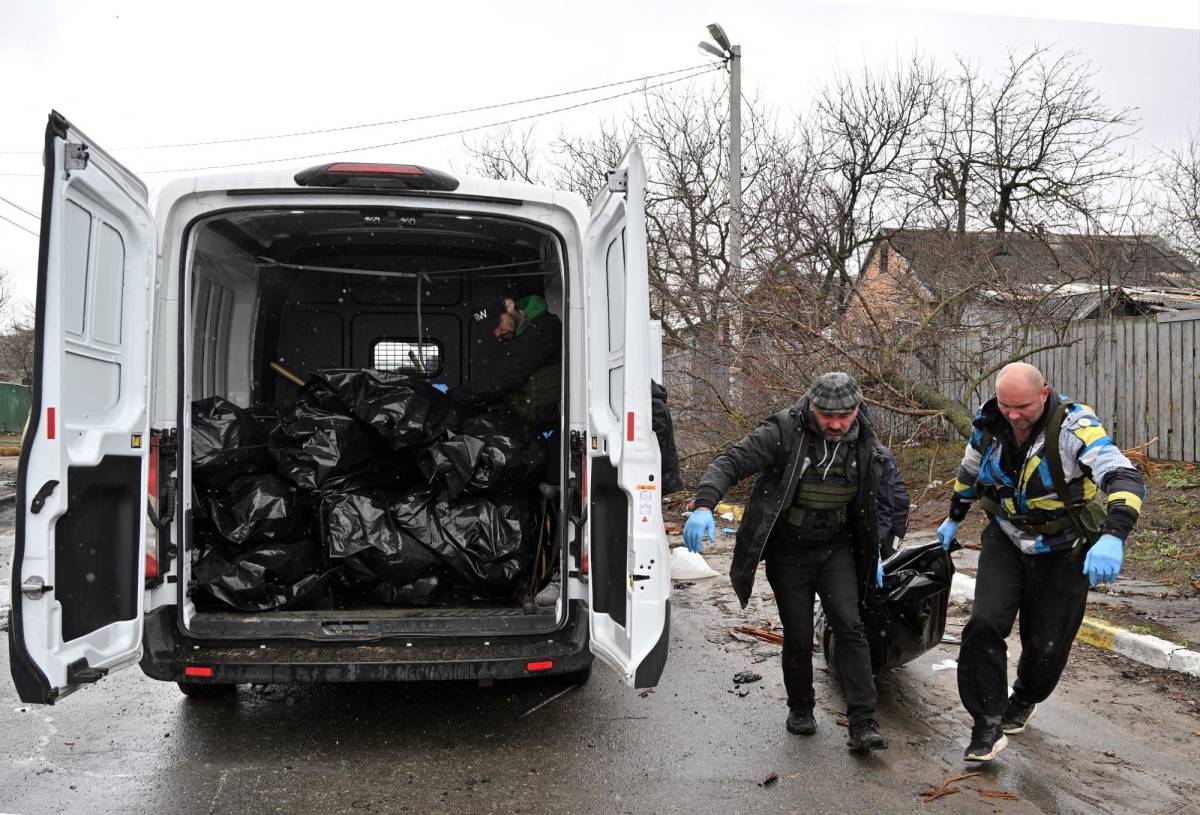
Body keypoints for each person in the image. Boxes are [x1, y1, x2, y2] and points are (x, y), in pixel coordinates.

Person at [937, 362, 1146, 763]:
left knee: (1046, 643)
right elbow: (969, 471)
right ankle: (986, 724)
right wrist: (954, 517)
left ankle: (1025, 698)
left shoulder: (1075, 428)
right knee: (984, 623)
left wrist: (1113, 536)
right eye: (1006, 405)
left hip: (1062, 546)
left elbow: (1123, 476)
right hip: (1006, 537)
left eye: (1023, 407)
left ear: (1044, 394)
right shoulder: (989, 422)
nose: (1013, 415)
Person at [684, 372, 900, 754]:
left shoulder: (867, 440)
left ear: (856, 410)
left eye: (844, 416)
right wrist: (704, 504)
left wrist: (880, 548)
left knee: (850, 627)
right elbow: (731, 461)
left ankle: (863, 721)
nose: (835, 424)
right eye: (826, 416)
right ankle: (801, 707)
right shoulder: (784, 430)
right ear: (810, 406)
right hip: (789, 551)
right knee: (798, 634)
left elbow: (884, 498)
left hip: (836, 548)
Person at [446, 294, 562, 429]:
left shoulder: (543, 329)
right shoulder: (520, 334)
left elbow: (501, 378)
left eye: (498, 324)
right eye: (492, 330)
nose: (497, 333)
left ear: (510, 306)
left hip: (548, 425)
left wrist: (451, 397)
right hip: (530, 420)